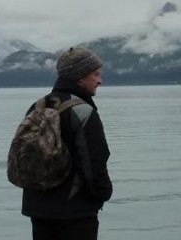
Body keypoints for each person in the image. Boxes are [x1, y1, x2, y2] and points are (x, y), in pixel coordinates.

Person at [21, 46, 113, 240]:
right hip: (75, 213)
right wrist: (103, 194)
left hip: (37, 208)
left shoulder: (38, 106)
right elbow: (94, 162)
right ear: (80, 77)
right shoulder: (83, 112)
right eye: (95, 74)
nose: (100, 80)